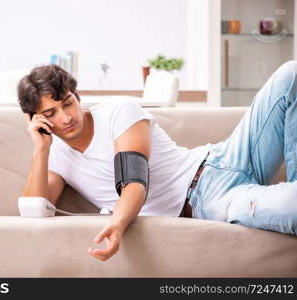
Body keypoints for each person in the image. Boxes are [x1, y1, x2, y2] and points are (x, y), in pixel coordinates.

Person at [17, 62, 297, 262]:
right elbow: (35, 212)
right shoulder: (54, 156)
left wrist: (119, 222)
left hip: (223, 158)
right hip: (211, 200)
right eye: (51, 113)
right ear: (35, 119)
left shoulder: (118, 111)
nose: (65, 118)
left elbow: (135, 182)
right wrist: (40, 151)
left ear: (77, 97)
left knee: (291, 74)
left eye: (67, 103)